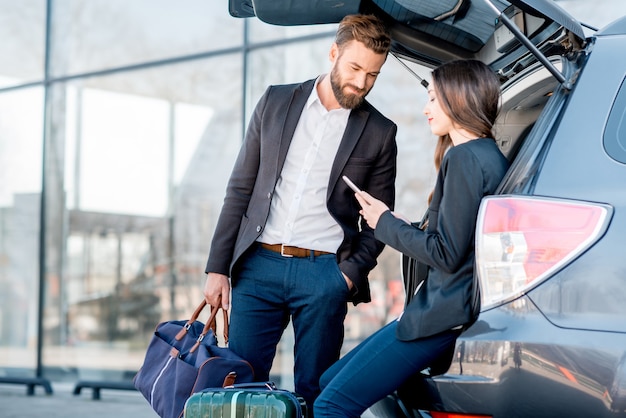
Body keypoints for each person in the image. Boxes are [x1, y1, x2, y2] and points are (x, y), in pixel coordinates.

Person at [202, 14, 397, 409]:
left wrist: (345, 276)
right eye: (355, 68)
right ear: (333, 53)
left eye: (372, 75)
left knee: (316, 393)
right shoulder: (276, 101)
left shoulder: (380, 132)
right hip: (257, 268)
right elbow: (240, 189)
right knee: (240, 390)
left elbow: (378, 221)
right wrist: (217, 267)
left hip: (323, 275)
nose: (361, 83)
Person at [313, 59, 510, 418]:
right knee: (329, 381)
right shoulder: (488, 156)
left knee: (330, 404)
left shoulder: (465, 158)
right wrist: (408, 227)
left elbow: (446, 254)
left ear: (458, 99)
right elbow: (458, 239)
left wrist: (383, 222)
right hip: (447, 314)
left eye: (433, 98)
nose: (426, 108)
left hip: (440, 317)